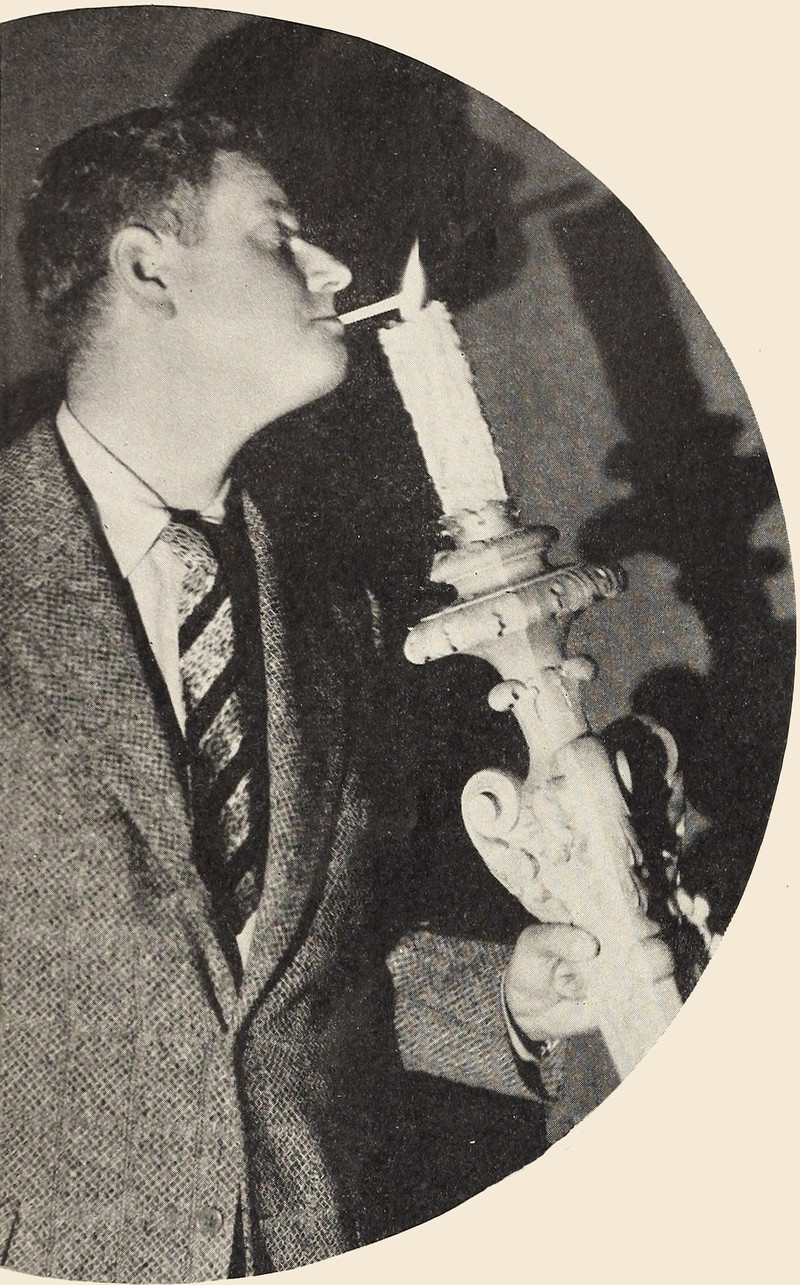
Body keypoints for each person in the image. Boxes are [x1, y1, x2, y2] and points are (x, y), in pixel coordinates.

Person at [0, 106, 613, 1283]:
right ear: (147, 269)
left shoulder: (335, 611)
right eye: (279, 235)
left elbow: (296, 978)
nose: (330, 270)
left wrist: (505, 996)